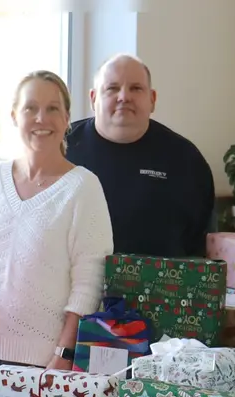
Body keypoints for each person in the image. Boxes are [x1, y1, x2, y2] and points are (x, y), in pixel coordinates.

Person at [0, 70, 112, 384]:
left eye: (53, 109)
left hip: (40, 365)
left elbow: (89, 281)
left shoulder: (83, 187)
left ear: (66, 119)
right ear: (14, 116)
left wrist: (64, 354)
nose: (42, 118)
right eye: (30, 108)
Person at [65, 54, 214, 257]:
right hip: (74, 284)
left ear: (152, 99)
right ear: (93, 99)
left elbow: (200, 243)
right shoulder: (62, 148)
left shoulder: (186, 160)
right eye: (112, 88)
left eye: (136, 88)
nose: (124, 97)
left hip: (163, 285)